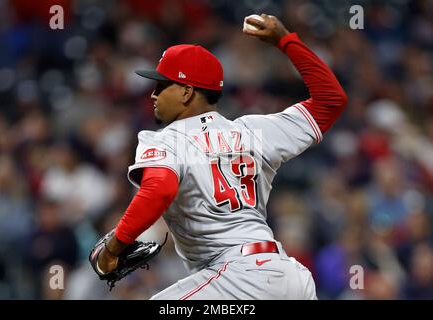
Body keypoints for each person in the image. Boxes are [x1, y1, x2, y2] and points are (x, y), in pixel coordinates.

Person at [93, 14, 347, 299]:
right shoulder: (255, 131)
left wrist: (113, 248)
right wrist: (285, 40)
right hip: (288, 278)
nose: (153, 94)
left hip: (238, 279)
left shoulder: (168, 139)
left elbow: (159, 188)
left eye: (162, 86)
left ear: (187, 92)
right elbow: (331, 100)